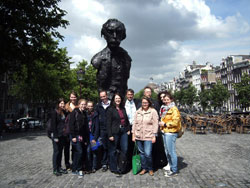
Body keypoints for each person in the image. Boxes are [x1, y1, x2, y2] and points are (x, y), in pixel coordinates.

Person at [91, 18, 132, 99]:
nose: (114, 36)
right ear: (104, 35)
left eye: (118, 32)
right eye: (110, 32)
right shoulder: (98, 59)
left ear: (123, 35)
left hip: (121, 101)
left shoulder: (126, 58)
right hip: (106, 101)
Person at [132, 96, 159, 176]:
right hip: (138, 135)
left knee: (148, 153)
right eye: (143, 102)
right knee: (142, 154)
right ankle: (144, 168)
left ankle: (150, 168)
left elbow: (155, 124)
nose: (144, 104)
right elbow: (134, 123)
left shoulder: (153, 111)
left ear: (149, 103)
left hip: (148, 135)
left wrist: (154, 135)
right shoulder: (138, 112)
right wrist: (133, 135)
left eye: (146, 102)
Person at [107, 93, 130, 176]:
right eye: (116, 98)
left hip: (123, 131)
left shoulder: (122, 108)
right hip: (114, 132)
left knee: (125, 148)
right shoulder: (110, 109)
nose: (118, 100)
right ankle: (113, 167)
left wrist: (128, 129)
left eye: (119, 98)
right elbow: (108, 123)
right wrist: (110, 135)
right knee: (113, 150)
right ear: (113, 100)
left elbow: (126, 120)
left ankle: (122, 166)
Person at [159, 92, 182, 177]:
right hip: (165, 132)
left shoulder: (174, 109)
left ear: (171, 100)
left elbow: (175, 122)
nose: (166, 101)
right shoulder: (165, 108)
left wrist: (165, 124)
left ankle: (174, 170)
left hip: (171, 132)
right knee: (167, 151)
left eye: (168, 100)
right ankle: (171, 168)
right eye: (165, 100)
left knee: (171, 152)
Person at [69, 99, 88, 178]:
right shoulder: (75, 112)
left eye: (84, 104)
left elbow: (84, 127)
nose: (83, 106)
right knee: (79, 152)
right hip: (75, 135)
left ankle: (74, 169)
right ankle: (79, 169)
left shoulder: (84, 113)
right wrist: (73, 136)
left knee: (78, 152)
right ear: (79, 104)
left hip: (81, 136)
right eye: (82, 104)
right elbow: (71, 125)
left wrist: (85, 138)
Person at [51, 98, 68, 176]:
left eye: (63, 103)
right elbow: (53, 125)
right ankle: (55, 169)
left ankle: (59, 167)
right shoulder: (54, 112)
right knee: (56, 152)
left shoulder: (63, 112)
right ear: (58, 104)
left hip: (62, 135)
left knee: (60, 152)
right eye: (61, 103)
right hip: (56, 135)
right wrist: (55, 136)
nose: (62, 105)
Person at [94, 90, 110, 172]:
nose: (103, 98)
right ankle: (104, 163)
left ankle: (110, 162)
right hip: (102, 129)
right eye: (101, 97)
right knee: (104, 147)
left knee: (111, 146)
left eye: (104, 96)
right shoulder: (98, 106)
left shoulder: (111, 105)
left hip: (110, 129)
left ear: (107, 95)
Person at [124, 89, 140, 168]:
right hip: (127, 126)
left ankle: (137, 162)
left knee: (136, 145)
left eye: (131, 94)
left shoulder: (137, 103)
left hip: (136, 126)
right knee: (127, 145)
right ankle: (129, 163)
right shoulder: (123, 104)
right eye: (128, 94)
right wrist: (127, 128)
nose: (130, 96)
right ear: (126, 95)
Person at [64, 91, 78, 171]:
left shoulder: (77, 106)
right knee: (66, 148)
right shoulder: (66, 107)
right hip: (67, 130)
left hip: (75, 130)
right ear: (69, 98)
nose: (73, 98)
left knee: (74, 147)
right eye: (71, 97)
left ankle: (74, 163)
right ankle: (67, 164)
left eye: (74, 97)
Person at [85, 101, 100, 173]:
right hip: (86, 135)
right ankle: (88, 166)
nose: (90, 107)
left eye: (91, 106)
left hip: (93, 135)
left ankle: (94, 166)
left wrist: (95, 138)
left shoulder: (95, 115)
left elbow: (97, 127)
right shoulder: (84, 114)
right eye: (89, 106)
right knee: (87, 151)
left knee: (94, 151)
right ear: (86, 106)